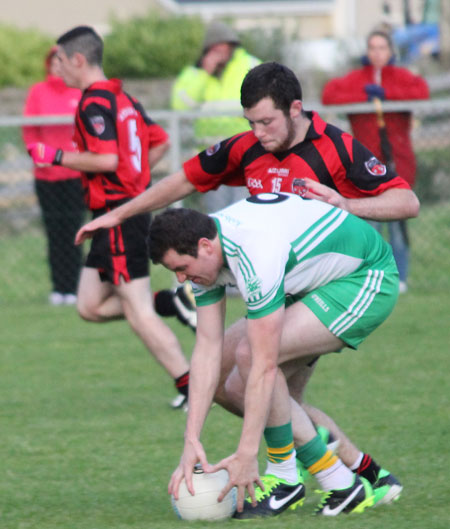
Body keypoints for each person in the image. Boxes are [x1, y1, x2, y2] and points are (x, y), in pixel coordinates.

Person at [75, 62, 418, 506]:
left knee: (257, 365)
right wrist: (120, 214)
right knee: (236, 384)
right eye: (250, 122)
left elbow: (406, 200)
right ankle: (347, 474)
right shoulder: (246, 151)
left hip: (339, 279)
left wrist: (348, 204)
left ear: (296, 109)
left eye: (266, 121)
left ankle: (326, 478)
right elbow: (183, 181)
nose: (257, 132)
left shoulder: (337, 147)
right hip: (283, 281)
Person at [150, 193, 401, 517]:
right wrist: (191, 441)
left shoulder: (255, 252)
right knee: (234, 384)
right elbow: (207, 349)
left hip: (365, 278)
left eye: (182, 269)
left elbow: (264, 365)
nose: (181, 280)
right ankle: (343, 475)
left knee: (252, 359)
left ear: (205, 246)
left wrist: (246, 453)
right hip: (310, 283)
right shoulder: (206, 254)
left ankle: (291, 478)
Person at [27, 26, 195, 408]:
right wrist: (137, 183)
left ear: (78, 60)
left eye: (61, 61)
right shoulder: (123, 98)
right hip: (116, 212)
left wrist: (54, 156)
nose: (58, 70)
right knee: (89, 306)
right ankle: (172, 301)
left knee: (136, 310)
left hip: (117, 214)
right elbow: (158, 141)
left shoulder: (93, 102)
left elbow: (106, 159)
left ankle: (190, 384)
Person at [321, 30, 429, 293]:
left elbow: (421, 91)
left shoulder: (401, 77)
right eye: (372, 47)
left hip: (397, 162)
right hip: (366, 167)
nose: (377, 52)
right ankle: (372, 275)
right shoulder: (357, 79)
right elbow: (330, 95)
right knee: (369, 224)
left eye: (382, 47)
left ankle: (400, 278)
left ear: (391, 51)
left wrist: (386, 93)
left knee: (398, 226)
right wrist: (363, 96)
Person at [23, 46, 85, 305]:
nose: (57, 67)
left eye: (63, 61)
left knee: (75, 231)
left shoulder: (79, 92)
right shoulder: (38, 91)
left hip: (75, 176)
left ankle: (74, 287)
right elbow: (30, 131)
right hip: (46, 177)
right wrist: (41, 157)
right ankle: (58, 287)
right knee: (54, 231)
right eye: (54, 62)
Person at [171, 20, 261, 141]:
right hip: (208, 149)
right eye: (214, 48)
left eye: (223, 46)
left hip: (244, 146)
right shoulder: (193, 73)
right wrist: (204, 74)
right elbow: (180, 107)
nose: (219, 53)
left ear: (232, 46)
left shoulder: (251, 65)